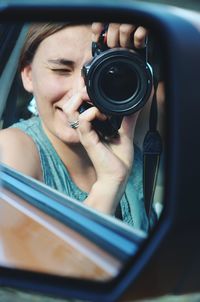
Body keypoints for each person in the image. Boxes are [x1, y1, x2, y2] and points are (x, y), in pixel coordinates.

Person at [0, 22, 155, 231]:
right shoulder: (11, 149)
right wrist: (109, 183)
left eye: (104, 71)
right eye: (61, 70)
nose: (81, 92)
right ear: (28, 75)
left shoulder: (129, 130)